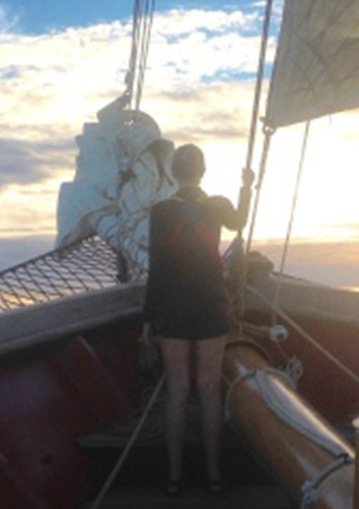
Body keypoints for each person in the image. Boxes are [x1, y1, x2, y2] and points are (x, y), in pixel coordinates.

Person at [141, 143, 253, 495]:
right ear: (202, 172)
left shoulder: (160, 212)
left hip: (173, 309)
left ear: (174, 173)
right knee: (208, 389)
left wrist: (148, 320)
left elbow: (156, 270)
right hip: (210, 306)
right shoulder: (218, 205)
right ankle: (215, 477)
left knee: (177, 389)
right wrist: (247, 187)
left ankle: (174, 479)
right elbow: (239, 223)